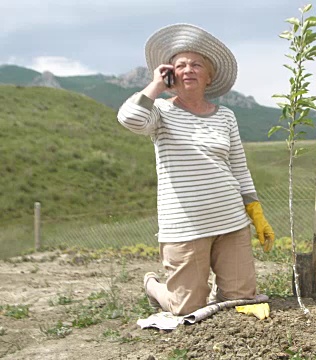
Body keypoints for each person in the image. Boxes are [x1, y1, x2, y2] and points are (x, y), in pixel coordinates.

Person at [116, 23, 275, 316]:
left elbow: (239, 167)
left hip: (230, 220)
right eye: (180, 65)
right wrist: (156, 85)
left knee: (241, 300)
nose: (188, 69)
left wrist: (255, 212)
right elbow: (129, 119)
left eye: (196, 64)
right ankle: (153, 285)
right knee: (186, 308)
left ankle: (219, 287)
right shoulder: (160, 112)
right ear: (170, 73)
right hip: (186, 226)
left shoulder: (226, 116)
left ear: (209, 75)